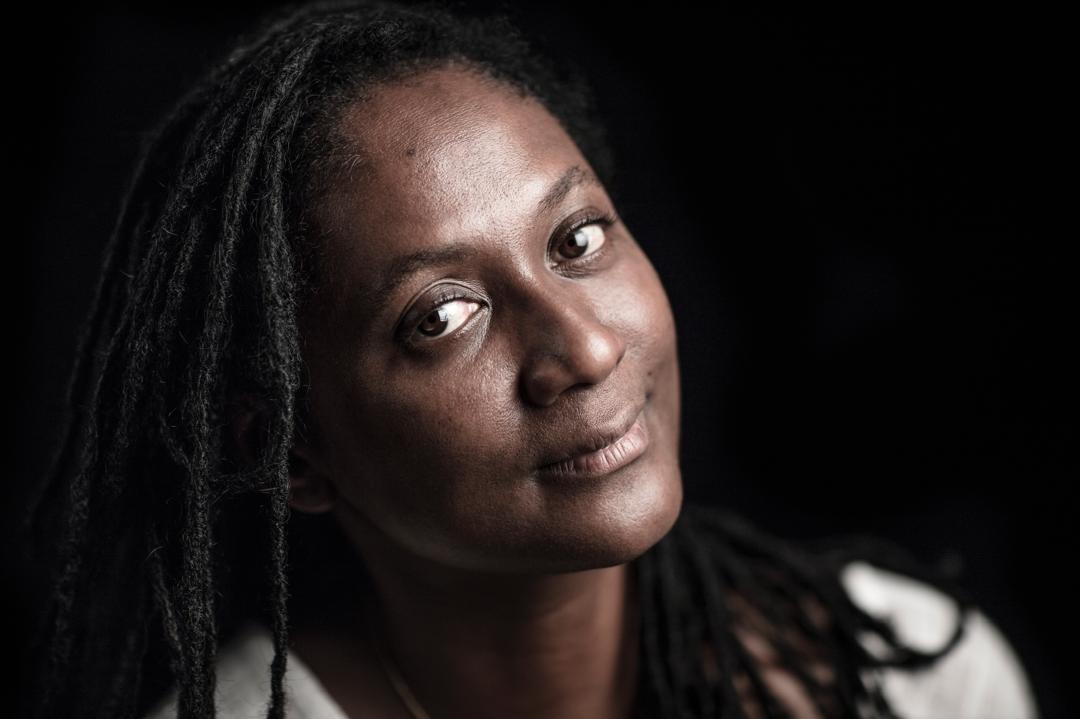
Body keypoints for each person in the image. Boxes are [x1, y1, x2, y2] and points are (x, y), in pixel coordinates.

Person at [21, 1, 1039, 717]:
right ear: (287, 451)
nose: (586, 347)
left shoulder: (910, 680)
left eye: (578, 239)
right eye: (443, 315)